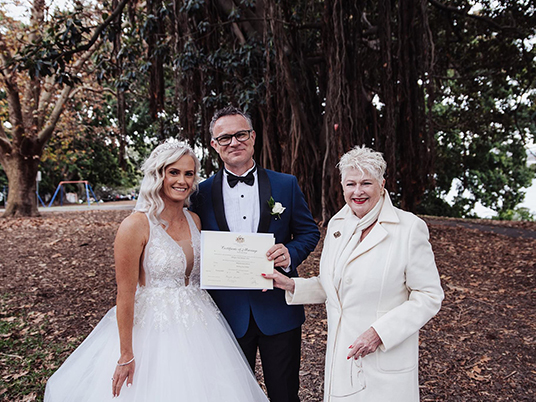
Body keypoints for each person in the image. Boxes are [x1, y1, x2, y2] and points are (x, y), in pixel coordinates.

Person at [45, 141, 269, 402]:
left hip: (202, 325)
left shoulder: (194, 220)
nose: (182, 181)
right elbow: (125, 295)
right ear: (157, 174)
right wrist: (126, 354)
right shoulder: (135, 225)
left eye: (188, 173)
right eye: (173, 172)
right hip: (154, 328)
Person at [264, 145, 444, 402]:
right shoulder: (338, 225)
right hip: (343, 358)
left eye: (366, 183)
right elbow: (334, 285)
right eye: (350, 184)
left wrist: (379, 333)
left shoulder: (409, 228)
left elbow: (429, 295)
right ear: (342, 186)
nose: (357, 192)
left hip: (384, 359)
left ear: (382, 184)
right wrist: (293, 285)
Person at [190, 106, 320, 402]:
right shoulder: (200, 193)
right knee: (232, 395)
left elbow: (309, 232)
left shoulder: (285, 184)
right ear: (214, 145)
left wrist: (291, 251)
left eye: (240, 134)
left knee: (285, 394)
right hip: (225, 313)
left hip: (278, 309)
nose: (233, 142)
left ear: (253, 137)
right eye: (224, 138)